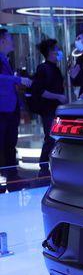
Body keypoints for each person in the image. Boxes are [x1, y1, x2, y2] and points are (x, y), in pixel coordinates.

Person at [0, 29, 31, 182]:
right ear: (2, 41)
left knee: (10, 143)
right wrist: (17, 80)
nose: (13, 41)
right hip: (2, 109)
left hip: (10, 108)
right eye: (10, 38)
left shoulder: (5, 59)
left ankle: (12, 177)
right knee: (4, 144)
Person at [32, 39, 66, 167]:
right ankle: (43, 165)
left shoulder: (55, 68)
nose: (59, 51)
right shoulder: (43, 68)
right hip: (48, 109)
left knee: (53, 137)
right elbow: (39, 91)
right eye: (56, 49)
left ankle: (48, 165)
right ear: (50, 51)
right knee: (50, 137)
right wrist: (59, 97)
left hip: (55, 109)